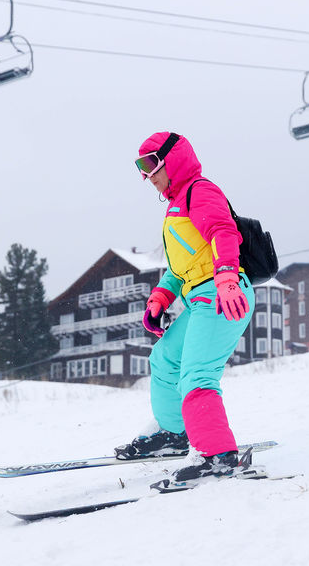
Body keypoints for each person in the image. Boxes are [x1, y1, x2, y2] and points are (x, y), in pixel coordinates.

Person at [115, 131, 255, 482]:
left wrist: (226, 278)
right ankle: (175, 433)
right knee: (164, 358)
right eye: (140, 168)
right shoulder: (175, 206)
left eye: (151, 164)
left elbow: (224, 232)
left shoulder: (199, 190)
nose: (147, 176)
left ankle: (218, 454)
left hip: (224, 294)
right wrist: (160, 298)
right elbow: (182, 269)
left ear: (172, 158)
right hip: (200, 297)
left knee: (197, 374)